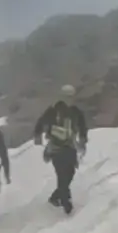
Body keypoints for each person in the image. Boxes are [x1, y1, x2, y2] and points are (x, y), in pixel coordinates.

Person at [33, 85, 88, 214]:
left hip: (70, 146)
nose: (69, 99)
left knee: (70, 174)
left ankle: (55, 197)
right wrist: (37, 135)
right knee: (62, 174)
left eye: (71, 96)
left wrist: (83, 138)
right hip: (56, 147)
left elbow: (82, 125)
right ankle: (65, 202)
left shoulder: (75, 111)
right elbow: (41, 122)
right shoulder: (53, 111)